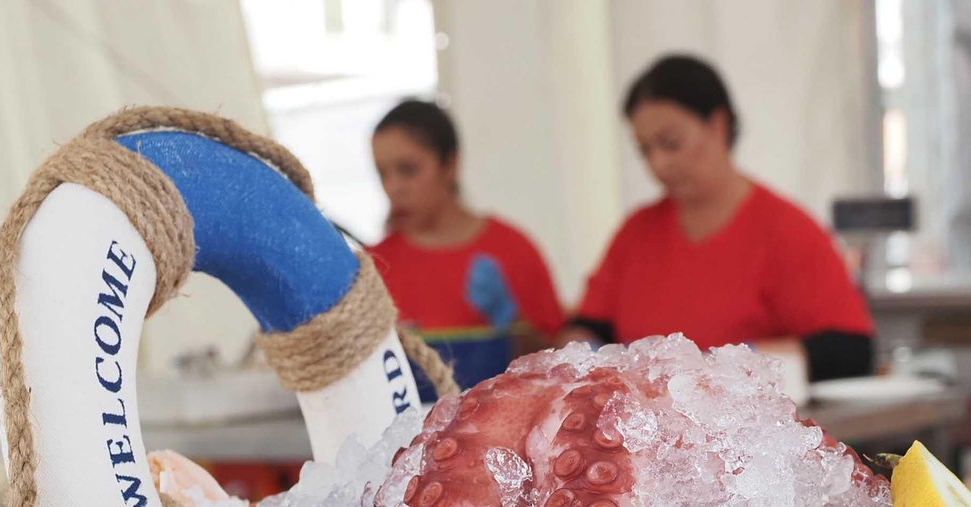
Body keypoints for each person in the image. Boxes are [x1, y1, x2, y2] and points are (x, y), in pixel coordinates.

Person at [559, 56, 874, 381]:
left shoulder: (785, 230)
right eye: (645, 150)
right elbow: (589, 326)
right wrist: (577, 360)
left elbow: (850, 350)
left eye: (671, 144)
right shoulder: (636, 233)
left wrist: (723, 369)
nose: (658, 164)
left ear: (718, 125)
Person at [370, 99, 564, 389]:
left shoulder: (512, 249)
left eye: (408, 169)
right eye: (382, 173)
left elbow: (559, 362)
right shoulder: (373, 268)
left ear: (451, 164)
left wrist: (511, 323)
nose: (393, 187)